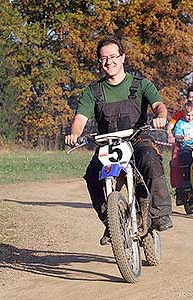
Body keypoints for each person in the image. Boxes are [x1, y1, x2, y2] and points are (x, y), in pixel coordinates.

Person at [64, 36, 173, 246]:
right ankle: (111, 222)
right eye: (104, 58)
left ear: (122, 57)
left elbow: (159, 105)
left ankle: (160, 215)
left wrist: (160, 116)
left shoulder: (141, 84)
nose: (109, 62)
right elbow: (80, 118)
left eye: (113, 57)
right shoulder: (93, 92)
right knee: (92, 174)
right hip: (108, 143)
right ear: (99, 61)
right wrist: (74, 134)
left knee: (150, 159)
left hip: (138, 138)